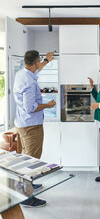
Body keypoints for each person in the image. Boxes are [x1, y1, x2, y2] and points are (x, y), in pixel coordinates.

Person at [13, 50, 56, 207]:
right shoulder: (30, 83)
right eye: (39, 62)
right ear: (35, 62)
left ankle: (25, 186)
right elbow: (30, 107)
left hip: (22, 123)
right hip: (31, 126)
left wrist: (47, 60)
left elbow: (36, 70)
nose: (39, 65)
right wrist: (48, 105)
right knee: (31, 162)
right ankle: (27, 197)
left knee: (25, 158)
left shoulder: (22, 73)